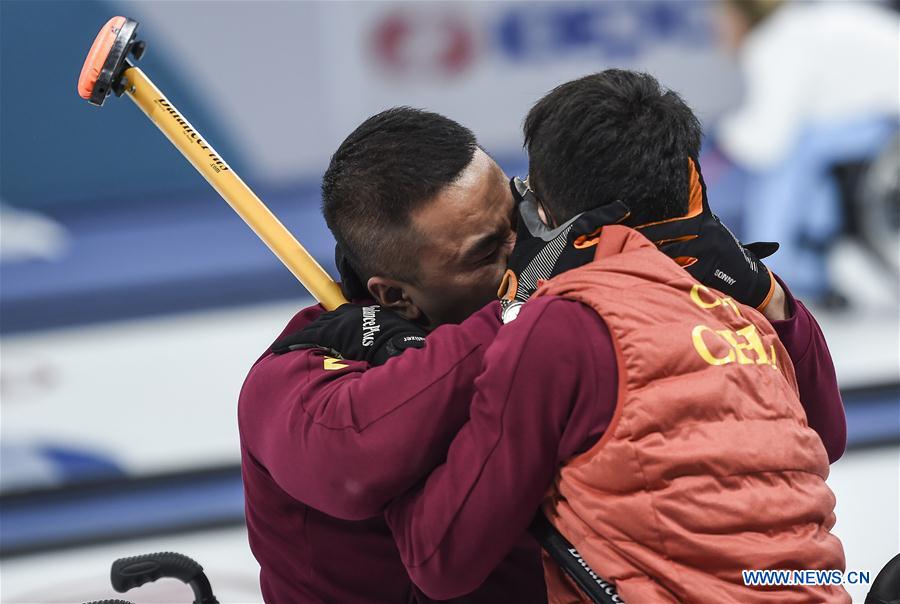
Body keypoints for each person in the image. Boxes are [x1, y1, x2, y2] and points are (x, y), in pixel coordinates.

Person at [239, 96, 845, 600]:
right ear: (393, 296)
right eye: (487, 253)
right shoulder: (303, 368)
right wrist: (509, 320)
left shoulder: (565, 308)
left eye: (519, 217)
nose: (529, 250)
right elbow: (355, 464)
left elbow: (818, 437)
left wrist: (769, 302)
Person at [712, 0, 899, 305]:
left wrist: (720, 142)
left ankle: (771, 272)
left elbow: (766, 142)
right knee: (807, 145)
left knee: (792, 156)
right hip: (883, 115)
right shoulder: (798, 27)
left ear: (739, 15)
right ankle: (809, 266)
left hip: (887, 118)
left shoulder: (774, 42)